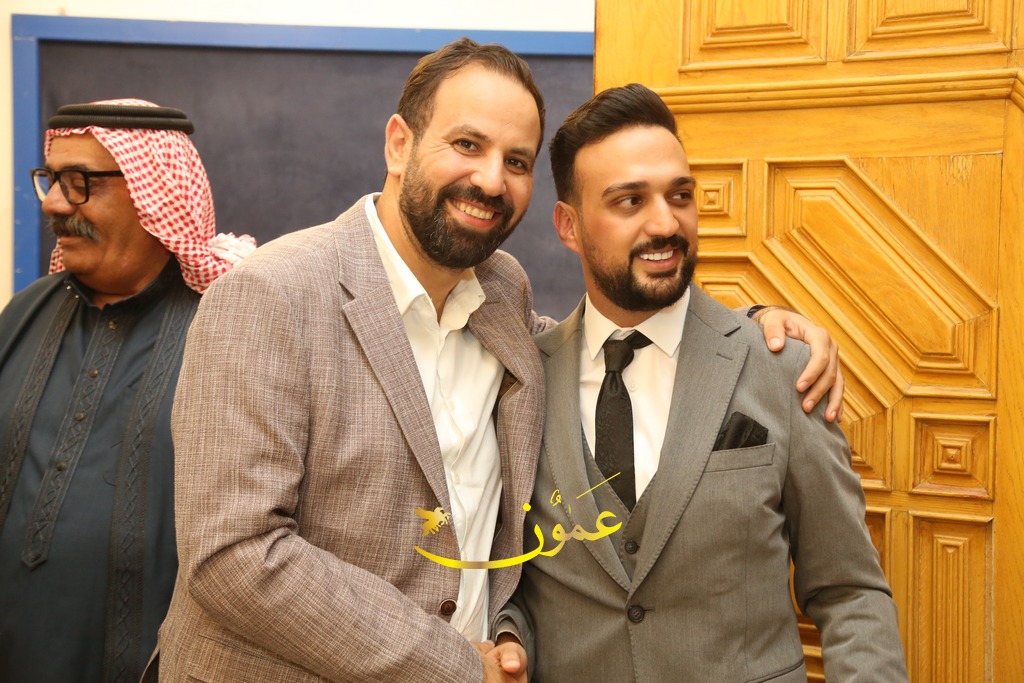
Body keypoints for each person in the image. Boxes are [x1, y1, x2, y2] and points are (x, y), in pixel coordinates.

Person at [155, 40, 843, 683]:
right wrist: (453, 663)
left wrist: (747, 330)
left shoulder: (501, 291)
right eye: (467, 145)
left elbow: (600, 341)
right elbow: (235, 556)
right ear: (399, 144)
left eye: (516, 161)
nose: (491, 180)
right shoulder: (270, 295)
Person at [499, 83, 908, 682]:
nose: (666, 223)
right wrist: (508, 633)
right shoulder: (522, 382)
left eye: (680, 195)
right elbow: (502, 579)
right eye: (630, 201)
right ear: (569, 225)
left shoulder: (783, 368)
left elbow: (850, 592)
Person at [0, 99, 255, 682]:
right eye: (52, 180)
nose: (54, 203)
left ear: (153, 193)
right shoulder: (25, 313)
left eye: (80, 182)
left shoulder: (229, 329)